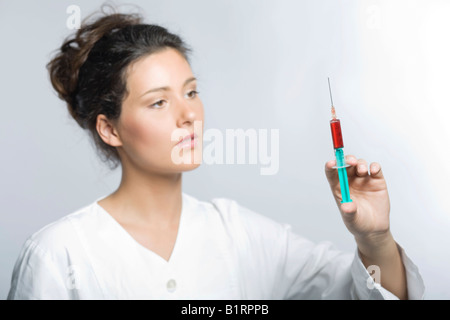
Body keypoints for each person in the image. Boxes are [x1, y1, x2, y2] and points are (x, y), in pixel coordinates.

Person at [7, 5, 424, 300]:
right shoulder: (58, 255)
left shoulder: (239, 236)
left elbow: (364, 293)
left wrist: (375, 239)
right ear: (109, 128)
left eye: (192, 92)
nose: (189, 115)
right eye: (159, 102)